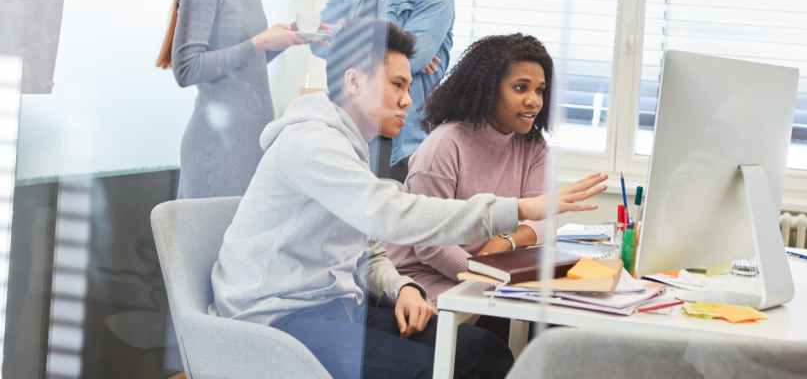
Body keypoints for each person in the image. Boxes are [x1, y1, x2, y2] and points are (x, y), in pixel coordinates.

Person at [209, 19, 607, 379]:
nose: (407, 100)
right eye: (397, 84)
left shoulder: (350, 147)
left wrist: (403, 289)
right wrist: (517, 210)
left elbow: (368, 250)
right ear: (353, 81)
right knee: (426, 372)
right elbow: (392, 216)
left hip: (339, 311)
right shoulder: (312, 144)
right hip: (278, 320)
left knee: (483, 353)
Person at [384, 34, 555, 338]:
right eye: (521, 88)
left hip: (487, 277)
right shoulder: (443, 146)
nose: (535, 100)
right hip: (428, 279)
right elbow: (430, 244)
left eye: (540, 90)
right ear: (488, 91)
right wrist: (486, 275)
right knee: (500, 346)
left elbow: (545, 219)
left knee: (556, 329)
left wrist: (505, 241)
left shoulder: (534, 146)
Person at [157, 0, 328, 199]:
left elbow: (244, 64)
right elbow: (187, 70)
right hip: (218, 149)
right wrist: (260, 42)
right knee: (212, 244)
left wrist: (284, 40)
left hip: (252, 143)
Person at [311, 0, 455, 183]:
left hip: (404, 143)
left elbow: (413, 59)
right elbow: (317, 42)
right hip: (349, 136)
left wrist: (346, 33)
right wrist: (395, 47)